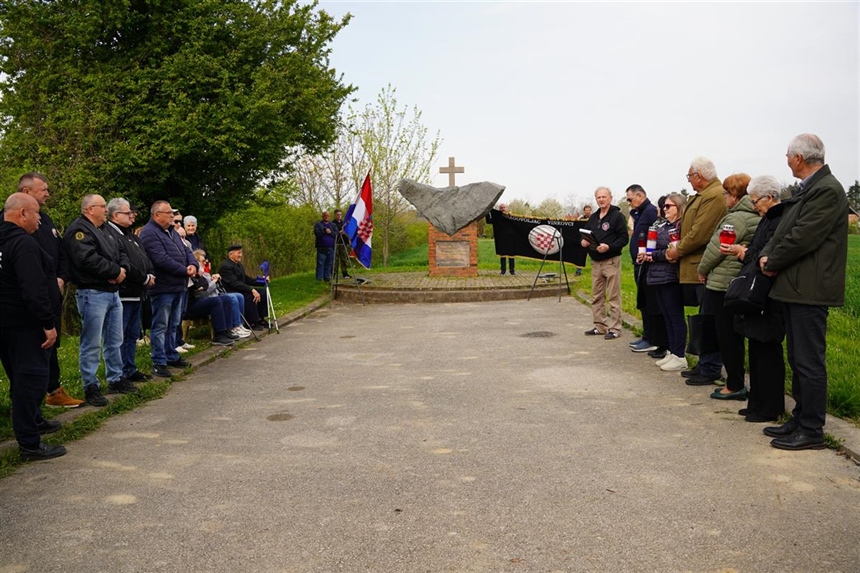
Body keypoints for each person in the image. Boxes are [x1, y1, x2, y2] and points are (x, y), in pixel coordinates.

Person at [759, 134, 848, 450]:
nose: (786, 160)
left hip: (809, 288)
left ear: (798, 158)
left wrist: (773, 261)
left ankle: (812, 429)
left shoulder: (826, 190)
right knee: (798, 359)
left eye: (788, 155)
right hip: (795, 286)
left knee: (809, 361)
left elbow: (802, 237)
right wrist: (766, 255)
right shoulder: (808, 189)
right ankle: (800, 418)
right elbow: (782, 230)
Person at [0, 193, 67, 460]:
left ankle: (34, 421)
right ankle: (29, 443)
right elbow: (34, 288)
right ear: (22, 213)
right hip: (26, 326)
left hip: (7, 325)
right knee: (32, 382)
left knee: (20, 379)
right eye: (37, 213)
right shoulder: (23, 244)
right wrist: (47, 323)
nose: (40, 219)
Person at [15, 173, 83, 408]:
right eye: (43, 189)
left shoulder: (46, 220)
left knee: (51, 344)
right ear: (26, 192)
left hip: (52, 294)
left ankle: (53, 390)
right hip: (28, 300)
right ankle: (25, 403)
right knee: (32, 349)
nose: (48, 194)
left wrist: (62, 277)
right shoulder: (12, 223)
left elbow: (60, 252)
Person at [723, 175, 786, 423]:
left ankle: (770, 407)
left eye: (756, 200)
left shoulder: (778, 218)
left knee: (767, 348)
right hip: (759, 291)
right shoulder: (767, 218)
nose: (754, 205)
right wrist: (746, 252)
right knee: (757, 346)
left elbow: (767, 253)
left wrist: (744, 252)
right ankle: (757, 402)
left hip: (768, 292)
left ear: (769, 197)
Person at [64, 194, 135, 406]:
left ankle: (116, 378)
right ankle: (90, 385)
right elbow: (87, 259)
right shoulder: (79, 231)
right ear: (89, 209)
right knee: (92, 342)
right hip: (92, 292)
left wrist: (123, 270)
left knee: (115, 339)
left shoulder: (105, 229)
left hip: (113, 292)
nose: (106, 210)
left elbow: (121, 251)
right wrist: (114, 271)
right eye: (102, 206)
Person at [697, 174, 760, 400]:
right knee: (735, 335)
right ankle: (736, 380)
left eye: (726, 192)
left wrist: (702, 270)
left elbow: (716, 248)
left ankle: (734, 384)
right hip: (740, 282)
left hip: (723, 283)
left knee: (726, 336)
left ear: (734, 195)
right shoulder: (755, 216)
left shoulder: (736, 219)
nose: (724, 197)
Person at [666, 157, 727, 386]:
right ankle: (705, 362)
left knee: (709, 318)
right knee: (704, 316)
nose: (689, 181)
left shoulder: (714, 195)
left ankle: (711, 367)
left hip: (705, 265)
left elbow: (700, 232)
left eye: (690, 176)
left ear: (699, 176)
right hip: (698, 265)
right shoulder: (705, 195)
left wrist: (678, 250)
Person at [140, 200, 198, 379]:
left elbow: (186, 251)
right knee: (161, 325)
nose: (173, 216)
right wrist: (184, 270)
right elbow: (160, 259)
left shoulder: (172, 232)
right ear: (157, 215)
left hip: (178, 285)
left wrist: (193, 264)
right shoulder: (149, 233)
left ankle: (171, 354)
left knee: (173, 324)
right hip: (163, 287)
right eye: (169, 213)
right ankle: (159, 361)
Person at [105, 198, 156, 383]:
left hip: (137, 293)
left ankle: (129, 368)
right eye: (128, 213)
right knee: (120, 335)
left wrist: (150, 274)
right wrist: (144, 278)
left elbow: (144, 258)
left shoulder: (131, 236)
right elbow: (124, 263)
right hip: (123, 292)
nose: (132, 216)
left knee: (132, 334)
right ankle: (119, 373)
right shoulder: (110, 234)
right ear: (116, 215)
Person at [644, 193, 688, 370]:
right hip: (657, 274)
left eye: (669, 206)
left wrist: (654, 255)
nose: (665, 209)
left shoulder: (680, 226)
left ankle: (680, 355)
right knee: (667, 316)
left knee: (675, 316)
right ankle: (672, 350)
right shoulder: (663, 225)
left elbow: (674, 251)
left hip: (671, 275)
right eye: (664, 206)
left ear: (679, 207)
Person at [581, 187, 628, 339]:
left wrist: (609, 247)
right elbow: (586, 233)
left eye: (604, 197)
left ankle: (615, 329)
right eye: (598, 197)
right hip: (596, 261)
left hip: (611, 260)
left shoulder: (617, 216)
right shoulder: (593, 217)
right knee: (597, 296)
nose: (601, 200)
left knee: (613, 296)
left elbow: (624, 238)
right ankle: (599, 326)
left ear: (610, 198)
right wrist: (584, 241)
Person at [626, 184, 667, 354]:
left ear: (640, 196)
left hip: (647, 265)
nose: (629, 203)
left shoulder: (650, 211)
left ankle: (653, 339)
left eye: (630, 199)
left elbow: (655, 236)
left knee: (650, 303)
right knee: (643, 302)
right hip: (639, 264)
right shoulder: (640, 212)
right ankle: (647, 336)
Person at [192, 249, 252, 339]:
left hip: (216, 293)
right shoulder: (197, 274)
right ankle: (234, 327)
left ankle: (239, 324)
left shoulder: (205, 272)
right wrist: (214, 281)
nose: (205, 263)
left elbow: (209, 284)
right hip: (210, 297)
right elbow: (206, 290)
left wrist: (213, 278)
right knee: (232, 298)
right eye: (203, 261)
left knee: (239, 296)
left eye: (205, 261)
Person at [218, 244, 269, 330]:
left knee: (263, 293)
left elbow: (246, 279)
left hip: (241, 288)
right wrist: (251, 290)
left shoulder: (238, 265)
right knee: (250, 296)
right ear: (231, 254)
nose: (241, 255)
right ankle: (252, 322)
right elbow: (235, 283)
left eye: (241, 253)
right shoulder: (225, 266)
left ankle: (261, 318)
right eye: (238, 253)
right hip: (232, 290)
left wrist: (262, 281)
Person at [486, 203, 516, 276]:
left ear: (507, 208)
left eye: (504, 207)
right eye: (501, 208)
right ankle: (503, 270)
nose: (502, 209)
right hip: (501, 238)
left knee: (511, 254)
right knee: (502, 254)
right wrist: (487, 212)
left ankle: (512, 271)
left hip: (511, 238)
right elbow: (489, 221)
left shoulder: (511, 217)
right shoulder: (497, 218)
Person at [332, 209, 352, 279]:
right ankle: (333, 273)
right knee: (335, 259)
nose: (339, 216)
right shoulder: (332, 224)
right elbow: (332, 233)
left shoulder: (344, 223)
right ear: (335, 215)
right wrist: (339, 232)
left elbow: (347, 232)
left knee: (344, 259)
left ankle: (345, 273)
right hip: (336, 243)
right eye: (338, 215)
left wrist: (348, 240)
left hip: (343, 243)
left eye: (340, 215)